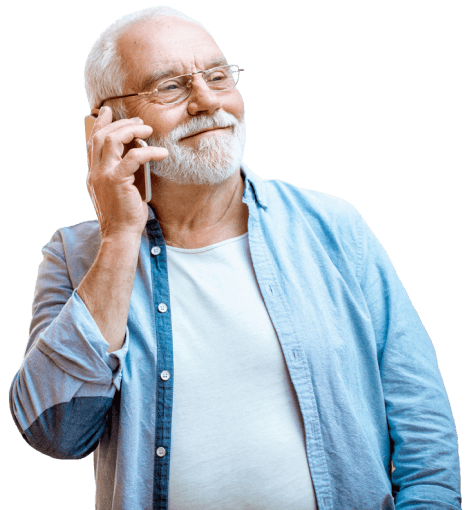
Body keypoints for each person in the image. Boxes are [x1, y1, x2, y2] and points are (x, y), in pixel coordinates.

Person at [9, 6, 461, 510]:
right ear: (108, 124)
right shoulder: (74, 255)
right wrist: (120, 237)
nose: (206, 101)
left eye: (218, 76)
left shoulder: (333, 227)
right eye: (171, 87)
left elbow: (421, 415)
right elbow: (55, 432)